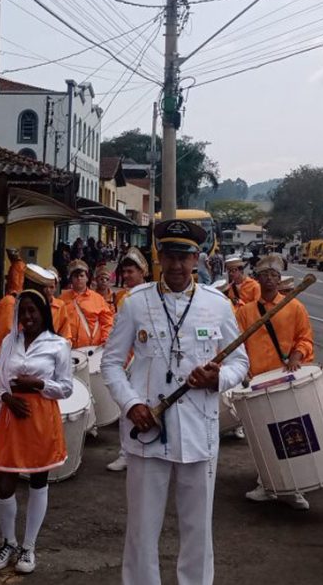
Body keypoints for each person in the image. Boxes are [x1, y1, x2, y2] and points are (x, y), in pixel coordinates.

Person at [102, 219, 249, 585]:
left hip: (199, 432)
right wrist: (131, 404)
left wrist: (219, 378)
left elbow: (240, 362)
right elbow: (111, 362)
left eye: (185, 257)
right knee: (141, 529)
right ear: (159, 258)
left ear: (197, 259)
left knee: (198, 529)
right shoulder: (135, 303)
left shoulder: (216, 305)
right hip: (148, 430)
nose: (177, 266)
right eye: (170, 256)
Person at [0, 290, 73, 574]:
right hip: (11, 416)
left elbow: (67, 387)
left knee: (38, 480)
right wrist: (7, 398)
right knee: (5, 481)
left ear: (44, 312)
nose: (27, 317)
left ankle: (29, 546)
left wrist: (38, 385)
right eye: (22, 311)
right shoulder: (8, 341)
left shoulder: (59, 345)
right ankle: (8, 541)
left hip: (41, 419)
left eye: (33, 311)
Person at [0, 265, 64, 482]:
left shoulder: (46, 307)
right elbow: (14, 335)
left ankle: (15, 458)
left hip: (19, 375)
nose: (49, 293)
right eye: (44, 288)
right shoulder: (11, 304)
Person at [236, 254, 315, 510]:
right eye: (264, 275)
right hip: (257, 379)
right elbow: (238, 345)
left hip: (285, 377)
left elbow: (305, 338)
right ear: (257, 279)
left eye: (274, 275)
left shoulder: (294, 307)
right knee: (262, 435)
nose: (269, 279)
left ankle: (296, 487)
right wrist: (244, 369)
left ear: (280, 280)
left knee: (292, 432)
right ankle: (266, 483)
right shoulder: (246, 312)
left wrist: (297, 355)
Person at [106, 247, 152, 473]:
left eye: (130, 271)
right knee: (128, 408)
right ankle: (126, 452)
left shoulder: (153, 294)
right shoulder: (123, 297)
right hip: (128, 359)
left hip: (146, 359)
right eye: (124, 272)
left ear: (143, 271)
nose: (126, 276)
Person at [60, 259, 114, 349]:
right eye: (75, 276)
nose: (79, 278)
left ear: (87, 278)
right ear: (71, 279)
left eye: (82, 275)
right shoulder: (62, 299)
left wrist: (106, 340)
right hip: (68, 349)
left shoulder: (98, 298)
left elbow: (107, 322)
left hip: (93, 350)